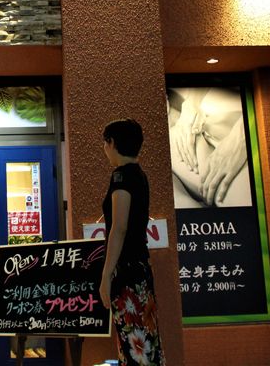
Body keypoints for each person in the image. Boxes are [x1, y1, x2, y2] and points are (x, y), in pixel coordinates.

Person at [99, 118, 165, 365]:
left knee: (133, 343)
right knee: (147, 339)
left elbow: (119, 228)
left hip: (127, 273)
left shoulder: (121, 177)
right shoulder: (139, 175)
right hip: (141, 269)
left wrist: (106, 275)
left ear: (112, 143)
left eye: (105, 143)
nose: (105, 149)